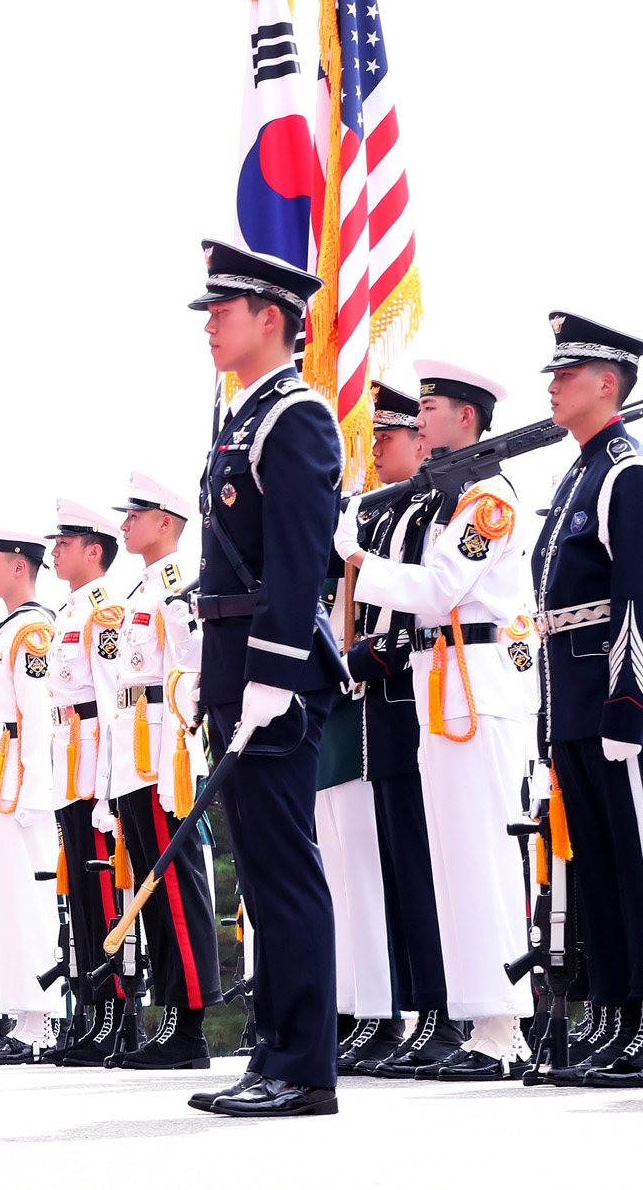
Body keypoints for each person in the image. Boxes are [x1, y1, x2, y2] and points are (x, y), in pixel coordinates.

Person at [184, 240, 346, 1118]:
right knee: (257, 866)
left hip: (273, 673)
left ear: (271, 318)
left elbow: (293, 566)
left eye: (223, 310)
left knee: (284, 869)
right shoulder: (243, 417)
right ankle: (273, 1054)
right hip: (235, 668)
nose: (209, 325)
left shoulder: (297, 417)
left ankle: (305, 1068)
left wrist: (273, 678)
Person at [338, 366, 538, 1078]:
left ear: (466, 418)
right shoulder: (455, 499)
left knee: (483, 859)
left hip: (480, 691)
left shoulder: (489, 503)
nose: (418, 422)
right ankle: (477, 1020)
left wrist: (355, 557)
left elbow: (439, 588)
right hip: (444, 689)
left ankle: (504, 1028)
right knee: (452, 865)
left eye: (428, 409)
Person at [526, 313, 643, 1087]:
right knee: (594, 868)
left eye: (569, 373)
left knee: (632, 866)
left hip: (608, 693)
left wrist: (628, 698)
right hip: (569, 695)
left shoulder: (624, 471)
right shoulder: (577, 471)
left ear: (610, 383)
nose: (554, 383)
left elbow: (635, 592)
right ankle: (613, 1016)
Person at [331, 384, 441, 1075]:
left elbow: (407, 620)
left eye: (387, 437)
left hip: (404, 701)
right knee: (379, 871)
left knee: (418, 868)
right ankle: (389, 1012)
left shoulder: (424, 512)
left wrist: (353, 659)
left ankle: (434, 1011)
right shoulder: (378, 515)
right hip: (372, 710)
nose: (374, 451)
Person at [105, 474, 219, 1070]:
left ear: (168, 522)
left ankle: (191, 1021)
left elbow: (196, 662)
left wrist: (185, 619)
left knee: (175, 886)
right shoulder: (139, 589)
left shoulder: (177, 583)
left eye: (137, 515)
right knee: (150, 889)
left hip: (162, 741)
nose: (125, 524)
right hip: (131, 743)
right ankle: (172, 1018)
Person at [0, 532, 66, 1064]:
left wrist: (33, 790)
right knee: (5, 902)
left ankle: (42, 1020)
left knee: (29, 900)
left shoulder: (32, 629)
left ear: (20, 568)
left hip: (15, 780)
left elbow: (36, 713)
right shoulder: (9, 629)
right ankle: (22, 1015)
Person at [41, 500, 128, 1066]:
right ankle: (90, 1010)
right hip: (67, 758)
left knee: (102, 892)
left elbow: (111, 699)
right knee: (80, 897)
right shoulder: (67, 612)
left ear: (93, 551)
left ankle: (116, 1012)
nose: (53, 552)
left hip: (94, 756)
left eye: (64, 543)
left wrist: (107, 786)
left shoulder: (103, 611)